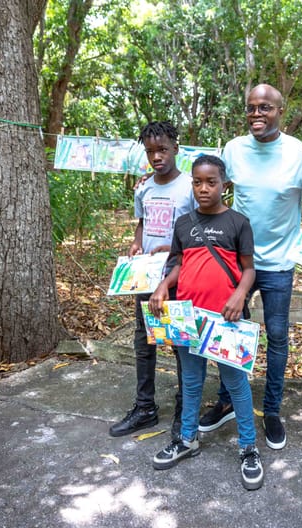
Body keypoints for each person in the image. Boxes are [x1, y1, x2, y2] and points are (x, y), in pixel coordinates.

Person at [197, 83, 302, 450]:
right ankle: (228, 400)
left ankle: (272, 409)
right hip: (235, 260)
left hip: (279, 263)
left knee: (277, 337)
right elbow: (206, 185)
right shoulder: (232, 150)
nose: (257, 114)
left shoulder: (301, 156)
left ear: (280, 110)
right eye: (251, 108)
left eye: (265, 108)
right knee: (226, 330)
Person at [149, 155, 263, 491]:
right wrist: (163, 286)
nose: (203, 188)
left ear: (224, 184)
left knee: (236, 384)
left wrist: (241, 294)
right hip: (188, 317)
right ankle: (187, 440)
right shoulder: (184, 223)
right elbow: (178, 263)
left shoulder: (238, 223)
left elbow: (250, 268)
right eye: (197, 182)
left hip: (225, 320)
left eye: (210, 182)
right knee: (192, 381)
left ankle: (248, 447)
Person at [109, 121, 196, 438]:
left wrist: (176, 248)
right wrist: (136, 243)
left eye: (162, 149)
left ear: (176, 148)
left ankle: (185, 409)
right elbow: (142, 224)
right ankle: (144, 407)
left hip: (177, 278)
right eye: (150, 151)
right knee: (144, 342)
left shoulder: (189, 186)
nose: (156, 156)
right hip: (145, 277)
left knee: (177, 343)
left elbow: (198, 233)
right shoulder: (144, 187)